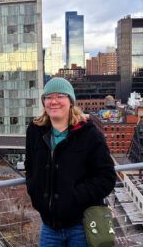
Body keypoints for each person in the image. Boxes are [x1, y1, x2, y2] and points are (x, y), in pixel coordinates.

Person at [25, 77, 116, 247]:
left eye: (60, 96)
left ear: (70, 101)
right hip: (49, 226)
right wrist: (34, 191)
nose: (54, 101)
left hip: (81, 225)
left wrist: (75, 196)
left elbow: (107, 177)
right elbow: (29, 167)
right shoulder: (35, 131)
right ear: (44, 102)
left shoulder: (89, 134)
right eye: (49, 97)